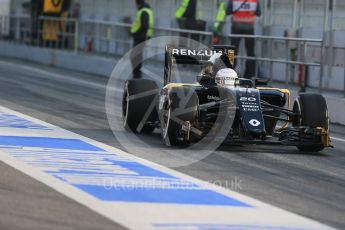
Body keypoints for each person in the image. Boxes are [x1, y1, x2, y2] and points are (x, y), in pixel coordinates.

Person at [226, 0, 261, 79]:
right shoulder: (255, 0)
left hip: (236, 27)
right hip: (249, 28)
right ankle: (250, 75)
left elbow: (227, 11)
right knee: (250, 52)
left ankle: (229, 73)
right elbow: (258, 13)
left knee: (233, 51)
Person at [130, 0, 154, 79]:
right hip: (142, 37)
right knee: (136, 57)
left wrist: (135, 33)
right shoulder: (145, 10)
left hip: (140, 38)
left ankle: (136, 77)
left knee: (136, 58)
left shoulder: (144, 11)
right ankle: (137, 76)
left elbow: (144, 26)